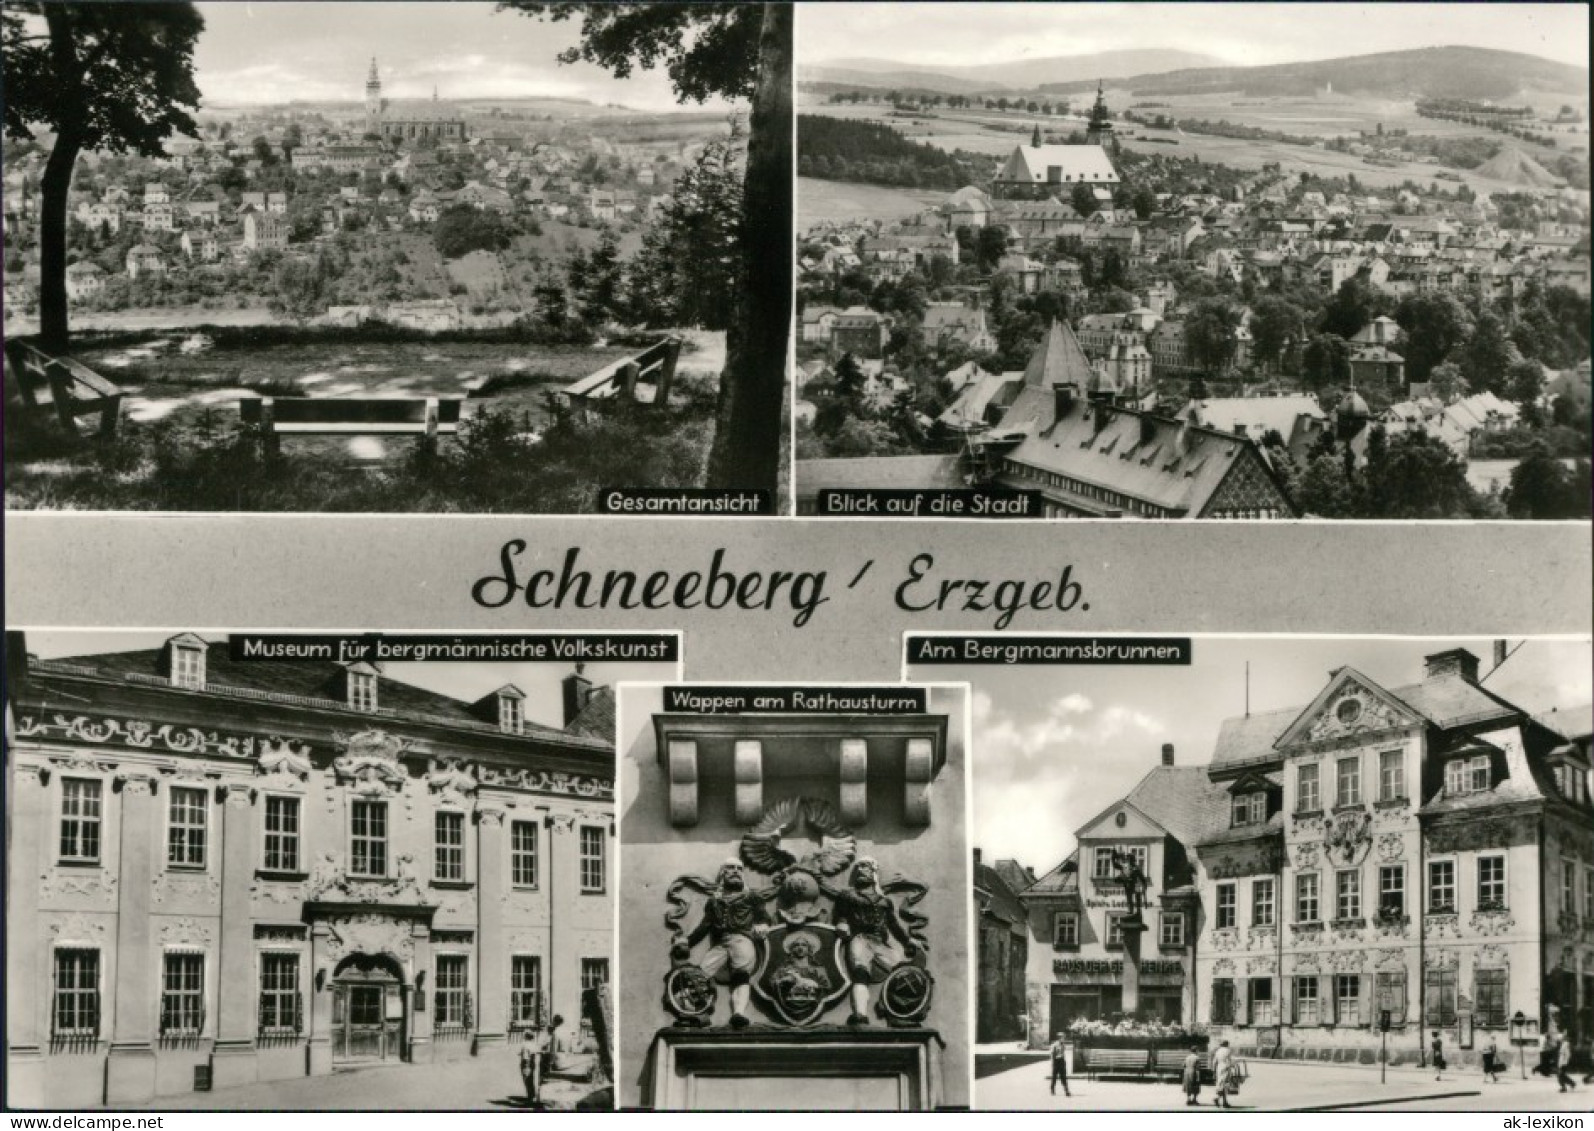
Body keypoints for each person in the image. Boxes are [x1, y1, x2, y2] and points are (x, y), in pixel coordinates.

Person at [518, 1022, 549, 1107]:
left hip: (526, 1064)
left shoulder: (525, 1045)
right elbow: (539, 1051)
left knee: (527, 1081)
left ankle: (530, 1098)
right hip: (533, 1064)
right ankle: (533, 1096)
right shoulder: (533, 1045)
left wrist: (525, 1065)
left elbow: (525, 1057)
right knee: (531, 1081)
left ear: (526, 1036)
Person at [1213, 1040, 1235, 1108]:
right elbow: (1229, 1061)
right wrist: (1232, 1066)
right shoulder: (1228, 1051)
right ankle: (1217, 1098)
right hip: (1225, 1067)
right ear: (1227, 1044)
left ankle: (1225, 1102)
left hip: (1219, 1068)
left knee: (1220, 1084)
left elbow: (1214, 1062)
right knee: (1225, 1085)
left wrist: (1214, 1070)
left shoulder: (1218, 1051)